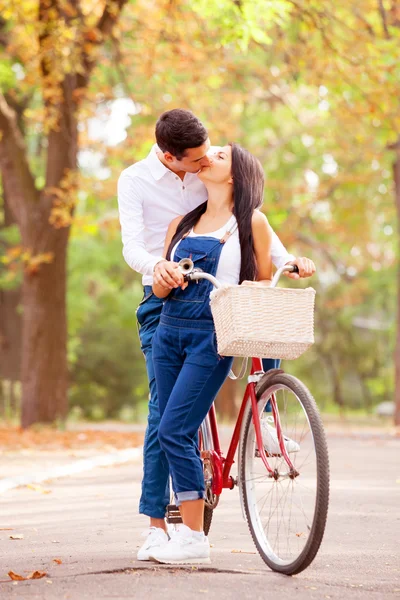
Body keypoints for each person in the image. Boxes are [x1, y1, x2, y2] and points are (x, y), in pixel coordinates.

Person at [117, 109, 316, 562]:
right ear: (173, 158)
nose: (207, 159)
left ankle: (264, 421)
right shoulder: (161, 204)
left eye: (218, 154)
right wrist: (161, 271)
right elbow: (139, 251)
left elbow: (264, 257)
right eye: (201, 157)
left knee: (173, 425)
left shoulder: (247, 217)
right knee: (163, 422)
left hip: (215, 326)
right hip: (166, 318)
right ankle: (163, 528)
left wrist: (292, 261)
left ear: (236, 174)